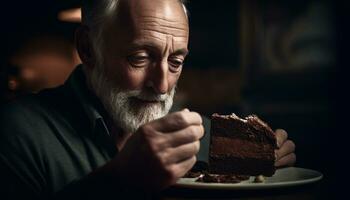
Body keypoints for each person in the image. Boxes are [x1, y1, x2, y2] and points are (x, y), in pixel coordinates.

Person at [0, 0, 296, 199]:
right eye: (140, 58)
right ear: (88, 49)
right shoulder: (17, 133)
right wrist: (120, 180)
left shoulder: (205, 138)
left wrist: (267, 159)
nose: (163, 85)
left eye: (176, 62)